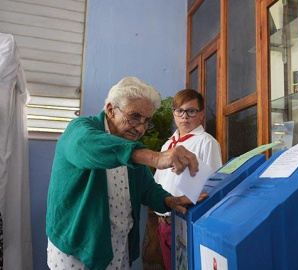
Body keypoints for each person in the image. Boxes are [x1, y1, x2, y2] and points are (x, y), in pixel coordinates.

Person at [45, 77, 208, 270]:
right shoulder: (81, 129)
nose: (140, 128)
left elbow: (146, 187)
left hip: (117, 248)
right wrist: (156, 158)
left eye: (147, 121)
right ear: (111, 109)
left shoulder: (129, 145)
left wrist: (169, 201)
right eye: (134, 116)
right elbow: (85, 145)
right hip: (77, 250)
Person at [153, 89, 222, 269]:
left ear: (201, 114)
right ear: (173, 114)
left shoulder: (206, 142)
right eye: (179, 111)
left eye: (191, 111)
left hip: (186, 221)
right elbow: (158, 181)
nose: (184, 116)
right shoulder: (168, 144)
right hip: (163, 221)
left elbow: (212, 187)